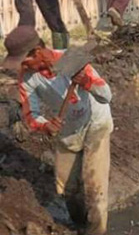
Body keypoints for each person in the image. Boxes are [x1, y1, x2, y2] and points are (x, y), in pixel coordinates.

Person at [1, 26, 113, 235]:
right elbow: (30, 115)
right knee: (67, 190)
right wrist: (46, 125)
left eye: (24, 60)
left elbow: (107, 95)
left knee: (95, 190)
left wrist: (86, 82)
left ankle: (97, 231)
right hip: (68, 130)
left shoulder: (72, 60)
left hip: (95, 123)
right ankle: (80, 226)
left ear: (38, 52)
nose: (22, 66)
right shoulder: (27, 78)